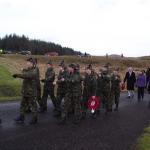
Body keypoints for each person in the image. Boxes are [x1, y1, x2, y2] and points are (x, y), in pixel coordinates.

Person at [13, 58, 38, 124]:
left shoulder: (34, 71)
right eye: (27, 62)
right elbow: (25, 72)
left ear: (33, 64)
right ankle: (21, 117)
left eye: (29, 63)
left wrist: (18, 75)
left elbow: (27, 75)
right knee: (22, 105)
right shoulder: (28, 70)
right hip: (25, 92)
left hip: (31, 92)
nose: (27, 64)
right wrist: (23, 70)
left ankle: (34, 118)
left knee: (33, 106)